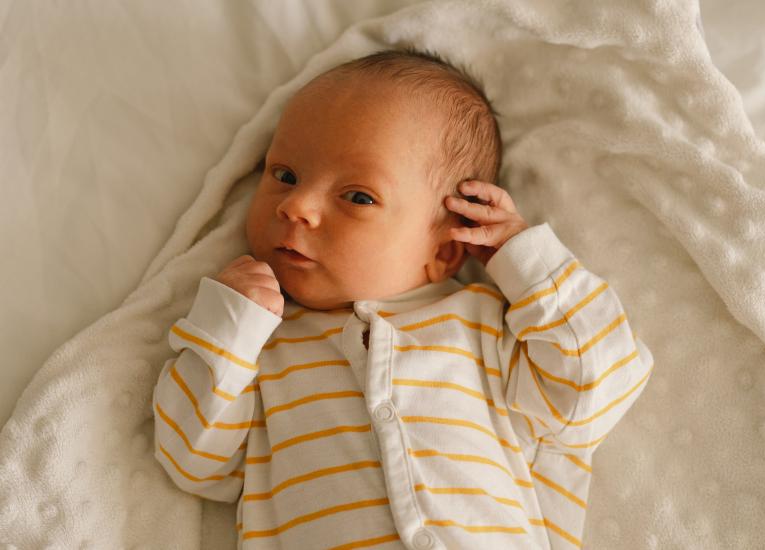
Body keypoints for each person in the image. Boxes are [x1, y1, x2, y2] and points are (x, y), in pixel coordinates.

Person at [152, 48, 654, 549]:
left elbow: (593, 388)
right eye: (284, 174)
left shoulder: (481, 326)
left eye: (358, 197)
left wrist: (526, 262)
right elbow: (193, 463)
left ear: (447, 248)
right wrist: (227, 332)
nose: (295, 205)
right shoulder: (260, 347)